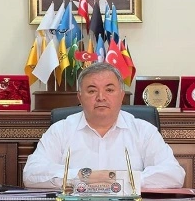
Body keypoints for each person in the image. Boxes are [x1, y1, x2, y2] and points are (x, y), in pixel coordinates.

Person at [23, 62, 185, 189]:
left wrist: (118, 179)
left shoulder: (143, 131)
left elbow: (174, 174)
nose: (101, 97)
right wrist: (83, 176)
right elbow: (31, 174)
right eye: (92, 91)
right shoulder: (60, 130)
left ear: (121, 95)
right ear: (80, 97)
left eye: (109, 90)